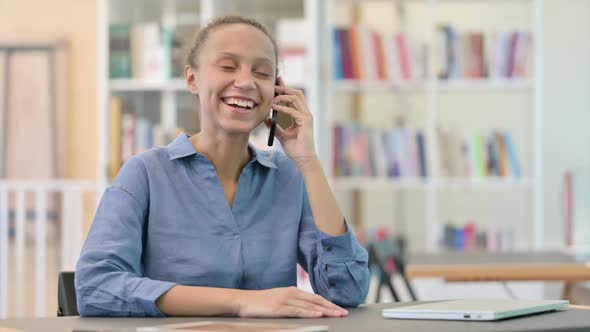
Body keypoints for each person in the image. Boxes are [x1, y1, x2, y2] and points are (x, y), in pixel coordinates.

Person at [75, 15, 370, 318]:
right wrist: (241, 302)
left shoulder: (289, 178)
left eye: (263, 72)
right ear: (192, 79)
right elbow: (96, 287)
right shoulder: (145, 173)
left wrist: (308, 160)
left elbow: (346, 290)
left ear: (277, 91)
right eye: (228, 67)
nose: (245, 82)